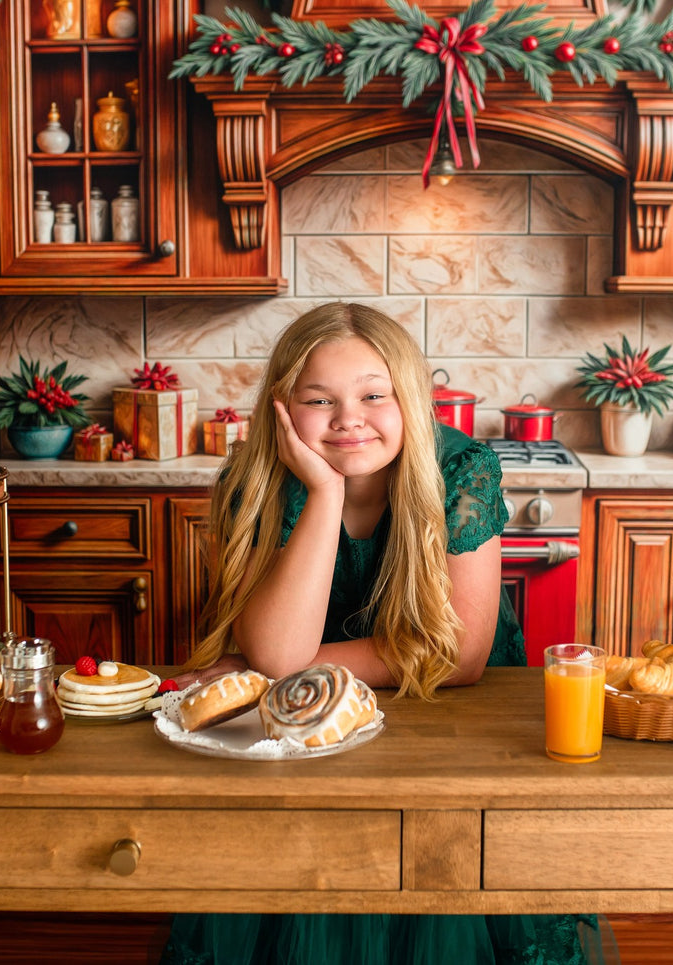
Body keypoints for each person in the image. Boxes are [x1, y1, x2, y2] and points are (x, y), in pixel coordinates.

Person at [161, 303, 617, 965]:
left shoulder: (461, 470)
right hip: (307, 730)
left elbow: (455, 655)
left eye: (374, 395)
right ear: (283, 410)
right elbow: (276, 654)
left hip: (449, 718)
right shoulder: (254, 478)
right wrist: (323, 490)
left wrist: (286, 664)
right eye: (319, 399)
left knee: (432, 881)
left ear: (410, 399)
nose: (349, 418)